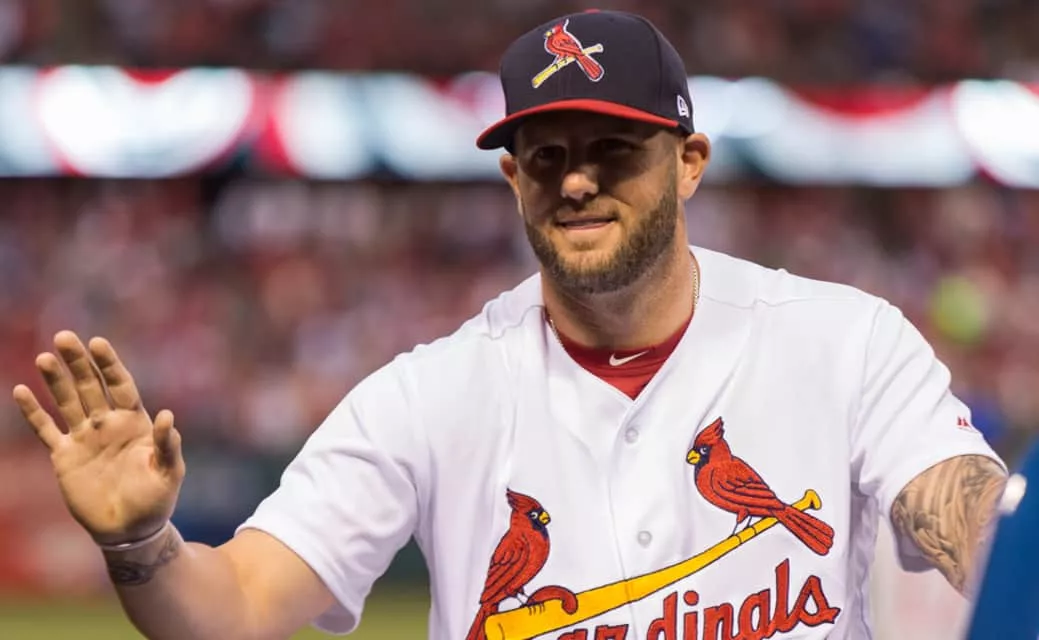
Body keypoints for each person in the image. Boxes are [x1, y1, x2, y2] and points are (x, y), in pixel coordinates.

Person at [13, 9, 1009, 640]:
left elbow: (965, 514)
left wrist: (1004, 537)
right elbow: (232, 606)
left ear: (688, 163)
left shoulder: (845, 343)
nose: (575, 180)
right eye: (546, 155)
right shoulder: (427, 395)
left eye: (613, 150)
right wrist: (141, 540)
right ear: (511, 175)